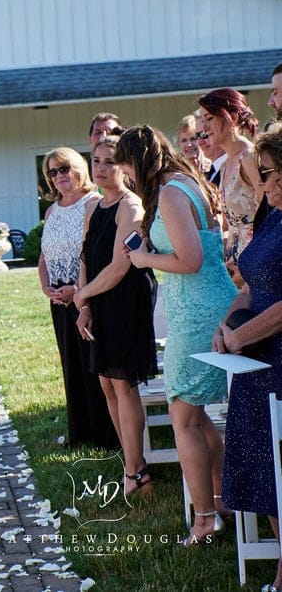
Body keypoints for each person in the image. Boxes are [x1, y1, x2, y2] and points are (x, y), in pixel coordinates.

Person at [118, 124, 237, 545]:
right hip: (211, 302)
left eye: (127, 168)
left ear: (138, 162)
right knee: (198, 416)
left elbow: (190, 259)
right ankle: (223, 501)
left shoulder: (169, 192)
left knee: (182, 417)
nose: (127, 177)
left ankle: (205, 520)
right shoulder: (190, 181)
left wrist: (144, 257)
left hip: (197, 313)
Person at [72, 132, 159, 501]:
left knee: (123, 384)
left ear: (123, 166)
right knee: (107, 384)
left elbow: (119, 268)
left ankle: (137, 472)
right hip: (98, 300)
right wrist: (85, 304)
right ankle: (132, 463)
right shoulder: (93, 207)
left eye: (110, 162)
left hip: (124, 300)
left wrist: (82, 294)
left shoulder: (131, 207)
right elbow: (86, 258)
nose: (102, 168)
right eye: (96, 161)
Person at [216, 124, 282, 588]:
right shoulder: (274, 215)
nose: (268, 185)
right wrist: (228, 325)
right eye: (265, 175)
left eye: (277, 175)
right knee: (266, 475)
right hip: (253, 363)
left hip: (277, 362)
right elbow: (251, 282)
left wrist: (242, 338)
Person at [36, 147, 117, 450]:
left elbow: (93, 255)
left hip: (85, 293)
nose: (59, 177)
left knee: (93, 365)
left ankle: (105, 434)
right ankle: (80, 431)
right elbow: (44, 255)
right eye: (53, 172)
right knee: (70, 363)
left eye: (64, 169)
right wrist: (46, 287)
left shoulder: (93, 203)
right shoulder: (51, 210)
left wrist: (77, 291)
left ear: (78, 168)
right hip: (58, 297)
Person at [200, 87, 262, 254]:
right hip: (237, 266)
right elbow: (232, 226)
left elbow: (272, 216)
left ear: (232, 118)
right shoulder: (225, 165)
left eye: (209, 118)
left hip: (259, 260)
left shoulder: (250, 158)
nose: (203, 127)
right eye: (202, 120)